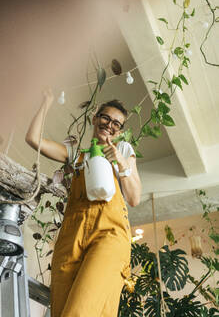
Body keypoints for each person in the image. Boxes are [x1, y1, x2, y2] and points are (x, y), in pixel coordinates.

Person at [25, 89, 142, 317]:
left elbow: (135, 198)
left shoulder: (124, 151)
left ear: (120, 131)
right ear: (94, 118)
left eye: (117, 124)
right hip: (71, 237)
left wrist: (118, 161)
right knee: (61, 310)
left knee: (80, 311)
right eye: (105, 118)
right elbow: (33, 139)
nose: (110, 125)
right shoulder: (75, 152)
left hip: (109, 235)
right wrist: (46, 102)